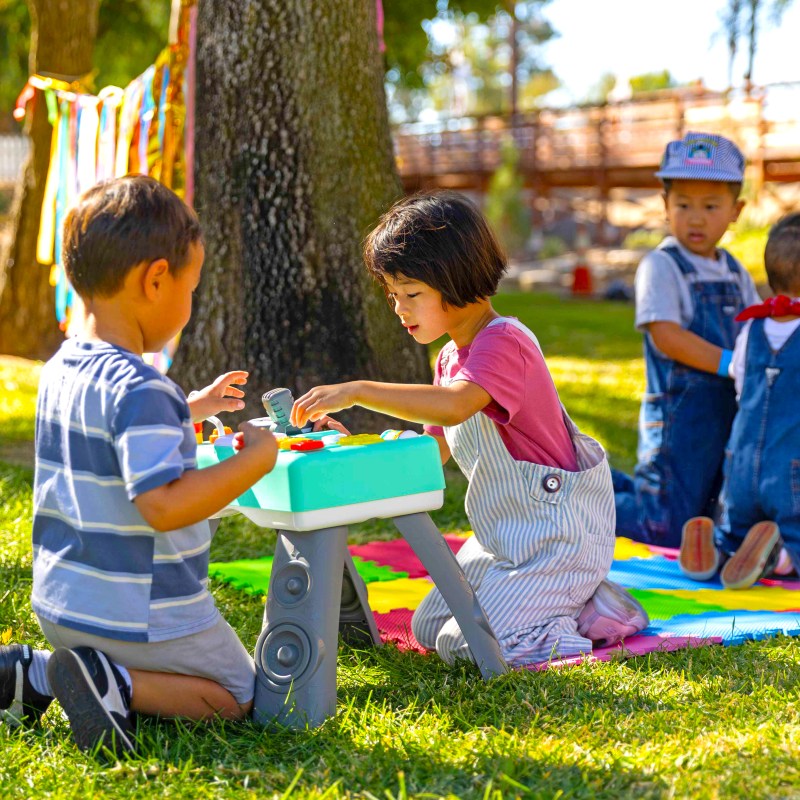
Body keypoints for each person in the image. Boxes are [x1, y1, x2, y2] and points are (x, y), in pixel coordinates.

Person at [290, 191, 648, 668]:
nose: (399, 310)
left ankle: (587, 612)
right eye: (394, 296)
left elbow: (456, 406)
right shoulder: (448, 359)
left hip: (556, 542)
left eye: (411, 294)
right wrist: (350, 443)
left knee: (469, 646)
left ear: (455, 277)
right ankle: (561, 604)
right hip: (501, 540)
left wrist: (358, 389)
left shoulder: (505, 343)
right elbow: (429, 454)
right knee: (430, 627)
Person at [0, 175, 279, 756]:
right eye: (190, 287)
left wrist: (190, 406)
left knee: (218, 683)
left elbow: (114, 430)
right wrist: (257, 459)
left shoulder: (60, 370)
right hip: (142, 617)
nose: (190, 302)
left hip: (63, 605)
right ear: (155, 280)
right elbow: (164, 503)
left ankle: (37, 672)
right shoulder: (143, 389)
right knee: (238, 693)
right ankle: (114, 683)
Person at [612, 132, 761, 547]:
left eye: (711, 207)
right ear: (665, 207)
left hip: (726, 418)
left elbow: (755, 330)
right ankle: (588, 491)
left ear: (736, 211)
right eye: (683, 205)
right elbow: (666, 336)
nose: (695, 218)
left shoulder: (735, 271)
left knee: (704, 512)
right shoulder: (662, 265)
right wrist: (732, 363)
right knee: (665, 525)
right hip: (679, 420)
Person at [679, 213, 800, 588]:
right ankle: (778, 557)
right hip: (791, 471)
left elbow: (742, 385)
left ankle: (718, 549)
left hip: (741, 466)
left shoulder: (752, 328)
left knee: (735, 528)